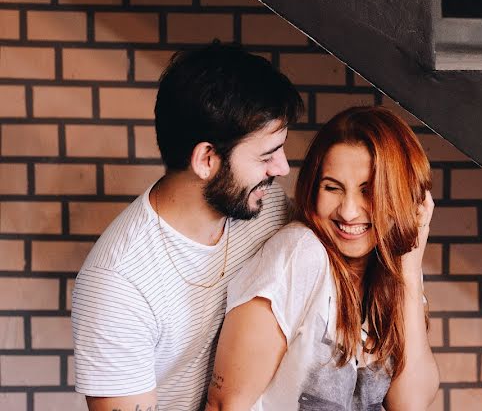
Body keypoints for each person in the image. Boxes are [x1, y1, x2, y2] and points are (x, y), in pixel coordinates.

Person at [71, 42, 303, 411]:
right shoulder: (118, 285)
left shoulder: (265, 207)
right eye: (266, 155)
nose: (282, 168)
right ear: (206, 159)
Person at [205, 106, 440, 410]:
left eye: (369, 191)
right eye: (332, 188)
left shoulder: (395, 265)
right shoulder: (300, 254)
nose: (348, 211)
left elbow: (412, 403)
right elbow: (225, 403)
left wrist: (409, 269)